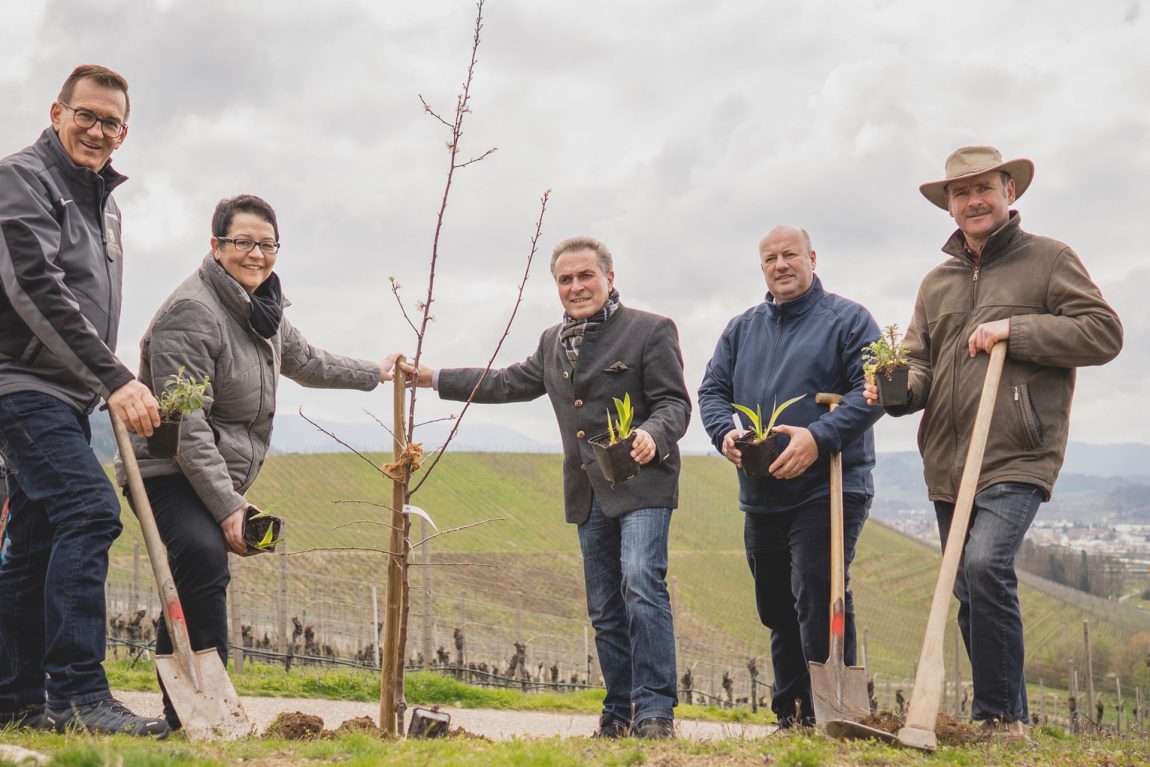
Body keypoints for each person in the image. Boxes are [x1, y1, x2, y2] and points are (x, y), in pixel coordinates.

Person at [119, 194, 398, 731]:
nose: (256, 254)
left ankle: (185, 718)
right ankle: (209, 718)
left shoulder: (263, 308)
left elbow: (307, 359)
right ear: (216, 246)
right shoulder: (191, 313)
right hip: (165, 468)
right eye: (242, 242)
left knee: (194, 573)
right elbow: (188, 428)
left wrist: (375, 372)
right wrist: (227, 507)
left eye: (266, 244)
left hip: (212, 472)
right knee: (202, 558)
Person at [869, 146, 1123, 736]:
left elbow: (1103, 332)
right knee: (967, 586)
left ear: (1010, 192)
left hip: (1018, 450)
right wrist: (898, 387)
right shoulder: (937, 283)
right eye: (961, 193)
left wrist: (1016, 329)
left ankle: (1000, 717)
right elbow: (920, 362)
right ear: (949, 207)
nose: (973, 200)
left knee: (985, 564)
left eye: (984, 187)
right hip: (949, 458)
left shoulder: (1049, 260)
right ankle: (1003, 721)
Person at [401, 236, 690, 739]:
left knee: (641, 581)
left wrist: (652, 435)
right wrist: (434, 378)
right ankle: (619, 713)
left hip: (643, 484)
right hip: (587, 490)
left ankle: (655, 712)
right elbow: (507, 382)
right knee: (603, 608)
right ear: (556, 285)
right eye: (565, 279)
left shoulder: (650, 331)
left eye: (585, 276)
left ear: (609, 278)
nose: (576, 287)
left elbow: (675, 404)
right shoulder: (552, 341)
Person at [0, 65, 169, 737]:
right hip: (18, 381)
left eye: (111, 122)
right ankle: (77, 693)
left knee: (36, 539)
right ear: (57, 111)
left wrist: (94, 381)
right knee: (90, 508)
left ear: (123, 132)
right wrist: (114, 376)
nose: (98, 131)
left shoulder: (105, 202)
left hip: (65, 391)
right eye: (87, 115)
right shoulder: (22, 180)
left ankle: (14, 698)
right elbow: (36, 287)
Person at [698, 225, 882, 727]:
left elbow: (874, 392)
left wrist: (817, 438)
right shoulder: (742, 328)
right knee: (776, 605)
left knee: (819, 595)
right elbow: (711, 390)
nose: (780, 264)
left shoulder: (848, 321)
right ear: (762, 268)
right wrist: (724, 435)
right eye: (770, 258)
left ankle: (838, 716)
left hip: (829, 486)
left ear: (812, 258)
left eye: (790, 255)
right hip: (761, 491)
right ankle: (793, 717)